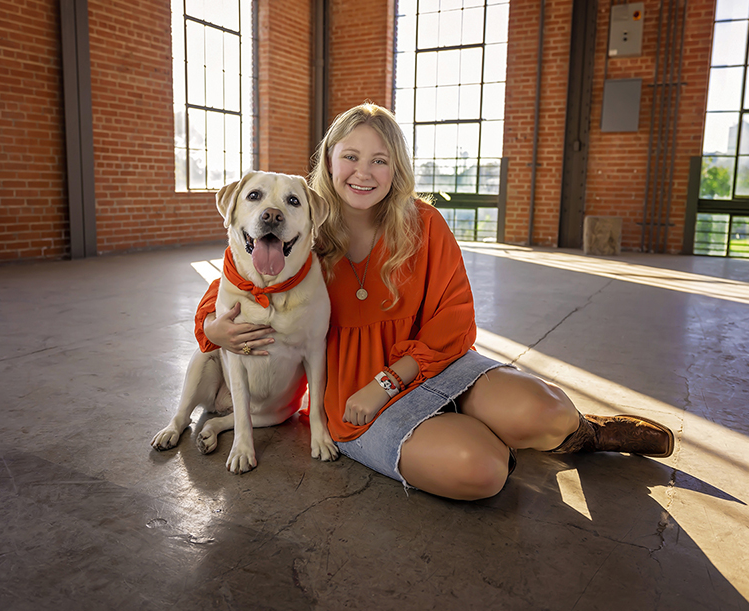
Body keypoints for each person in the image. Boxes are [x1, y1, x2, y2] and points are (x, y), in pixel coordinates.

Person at [194, 102, 674, 501]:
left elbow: (456, 319)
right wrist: (213, 330)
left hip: (429, 365)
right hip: (355, 399)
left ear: (397, 168)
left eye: (380, 160)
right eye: (351, 157)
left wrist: (390, 379)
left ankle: (582, 435)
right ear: (329, 161)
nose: (364, 172)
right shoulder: (300, 223)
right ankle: (479, 433)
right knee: (480, 471)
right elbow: (232, 285)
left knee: (545, 413)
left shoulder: (424, 224)